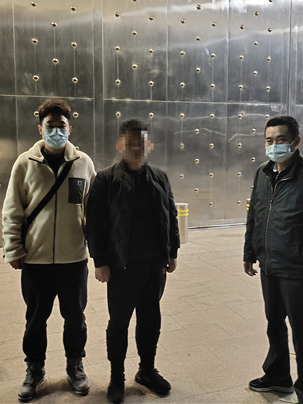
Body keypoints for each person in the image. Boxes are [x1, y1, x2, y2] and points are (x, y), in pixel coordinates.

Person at [2, 98, 96, 402]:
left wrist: (99, 252)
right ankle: (35, 369)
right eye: (50, 126)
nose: (56, 131)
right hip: (36, 259)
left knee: (75, 317)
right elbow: (12, 210)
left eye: (61, 126)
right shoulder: (24, 163)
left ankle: (75, 366)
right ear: (40, 129)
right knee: (35, 319)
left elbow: (93, 211)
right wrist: (13, 249)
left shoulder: (83, 162)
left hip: (73, 259)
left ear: (70, 128)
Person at [85, 119, 180, 404]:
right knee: (119, 323)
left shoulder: (160, 177)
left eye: (141, 143)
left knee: (150, 320)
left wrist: (172, 252)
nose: (136, 148)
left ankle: (146, 370)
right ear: (120, 145)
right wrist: (100, 261)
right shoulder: (105, 179)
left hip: (154, 266)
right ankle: (117, 377)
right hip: (121, 267)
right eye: (130, 144)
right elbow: (93, 224)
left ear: (149, 145)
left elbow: (171, 215)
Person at [243, 115, 303, 404]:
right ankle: (277, 376)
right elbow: (255, 214)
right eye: (269, 140)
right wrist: (249, 252)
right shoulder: (262, 172)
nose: (274, 146)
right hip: (269, 265)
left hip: (297, 269)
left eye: (281, 140)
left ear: (295, 141)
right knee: (274, 325)